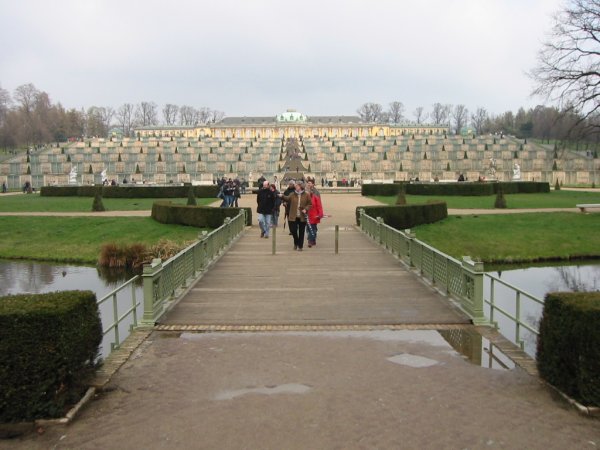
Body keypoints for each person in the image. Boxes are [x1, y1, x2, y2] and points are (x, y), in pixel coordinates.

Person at [280, 181, 312, 251]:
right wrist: (282, 196)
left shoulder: (306, 195)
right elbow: (287, 198)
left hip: (302, 217)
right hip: (293, 216)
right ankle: (296, 242)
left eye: (296, 186)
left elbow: (310, 204)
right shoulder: (292, 194)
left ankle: (300, 246)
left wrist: (306, 209)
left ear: (300, 186)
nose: (295, 187)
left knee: (301, 232)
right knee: (293, 230)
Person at [306, 182, 324, 248]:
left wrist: (320, 214)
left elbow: (319, 206)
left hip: (314, 215)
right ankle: (311, 239)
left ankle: (311, 240)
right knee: (308, 228)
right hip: (307, 215)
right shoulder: (305, 196)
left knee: (313, 228)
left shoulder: (316, 196)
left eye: (309, 192)